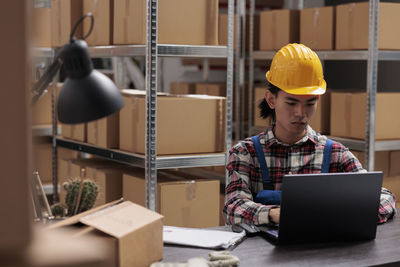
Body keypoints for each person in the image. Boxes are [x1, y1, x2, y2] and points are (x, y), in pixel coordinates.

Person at [224, 43, 396, 226]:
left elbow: (384, 197)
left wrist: (344, 213)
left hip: (322, 253)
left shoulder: (335, 155)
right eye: (291, 103)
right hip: (263, 254)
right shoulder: (245, 154)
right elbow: (233, 207)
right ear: (271, 99)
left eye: (309, 103)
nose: (300, 112)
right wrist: (275, 214)